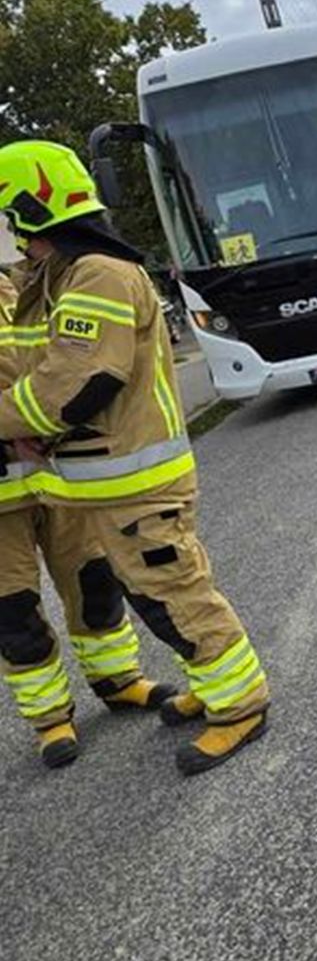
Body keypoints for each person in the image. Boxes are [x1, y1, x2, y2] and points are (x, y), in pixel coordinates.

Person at [0, 141, 269, 775]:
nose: (13, 239)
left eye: (12, 221)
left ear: (31, 211)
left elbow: (74, 384)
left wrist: (19, 422)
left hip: (135, 486)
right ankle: (216, 687)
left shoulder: (97, 275)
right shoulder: (73, 274)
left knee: (172, 596)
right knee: (163, 595)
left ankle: (241, 706)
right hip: (111, 484)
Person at [0, 264, 178, 766]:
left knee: (95, 582)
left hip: (56, 472)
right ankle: (50, 717)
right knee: (13, 610)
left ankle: (118, 680)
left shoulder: (24, 282)